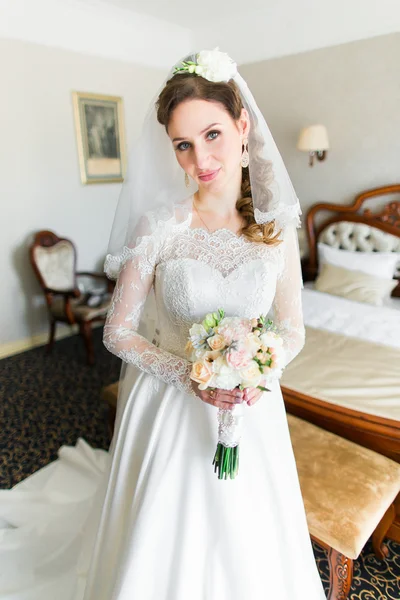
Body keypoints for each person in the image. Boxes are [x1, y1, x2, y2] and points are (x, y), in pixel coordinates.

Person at [0, 50, 326, 600]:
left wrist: (254, 371)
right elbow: (117, 330)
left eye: (213, 134)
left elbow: (292, 328)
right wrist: (190, 375)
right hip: (173, 410)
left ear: (242, 126)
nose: (201, 158)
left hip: (252, 409)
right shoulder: (160, 227)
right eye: (183, 144)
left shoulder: (276, 229)